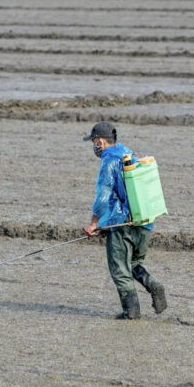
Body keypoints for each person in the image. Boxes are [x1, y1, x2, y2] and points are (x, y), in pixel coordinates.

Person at [83, 121, 167, 320]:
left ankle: (131, 312)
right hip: (145, 220)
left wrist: (94, 223)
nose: (94, 146)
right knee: (133, 262)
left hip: (124, 224)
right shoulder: (128, 154)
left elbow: (103, 195)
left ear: (101, 142)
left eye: (94, 141)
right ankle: (153, 285)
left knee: (119, 269)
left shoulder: (109, 160)